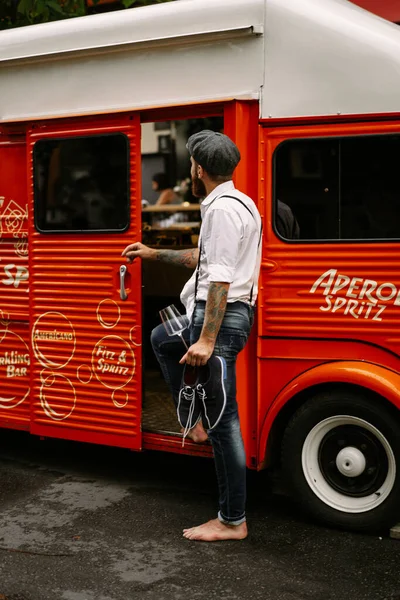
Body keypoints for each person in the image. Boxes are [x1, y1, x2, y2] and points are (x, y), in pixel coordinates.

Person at [122, 130, 262, 542]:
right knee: (163, 338)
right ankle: (192, 419)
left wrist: (205, 340)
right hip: (217, 315)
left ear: (198, 168)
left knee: (225, 424)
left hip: (218, 320)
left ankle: (232, 520)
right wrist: (152, 253)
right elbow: (202, 261)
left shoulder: (220, 210)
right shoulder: (242, 203)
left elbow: (218, 278)